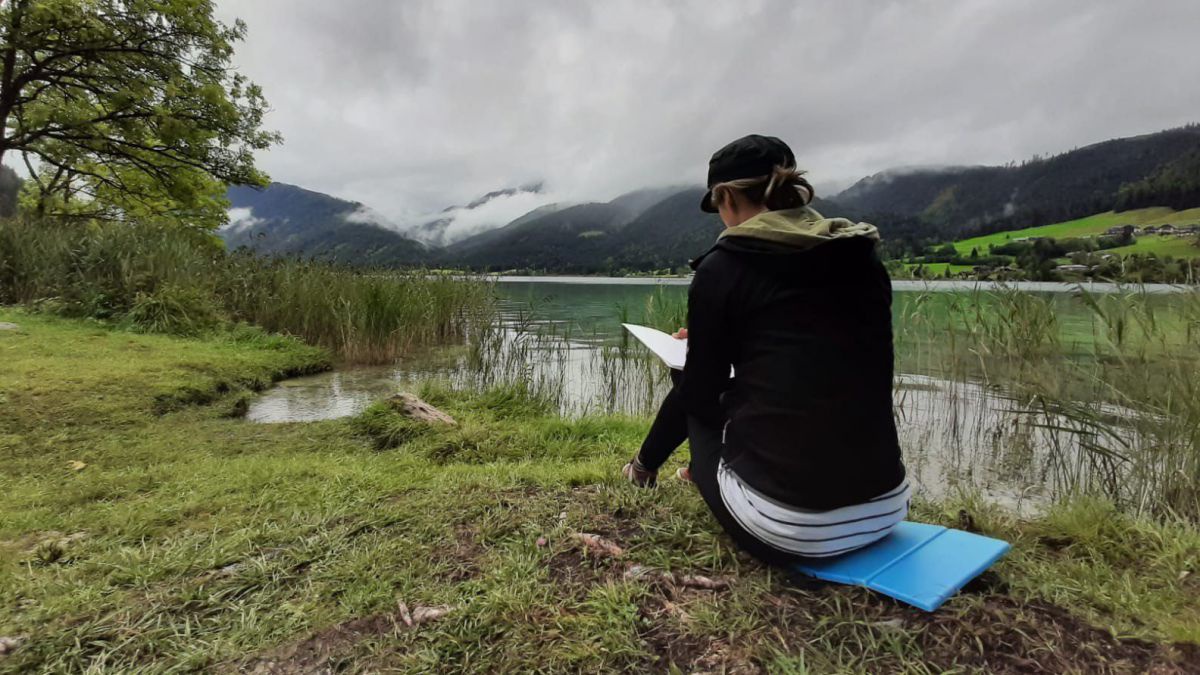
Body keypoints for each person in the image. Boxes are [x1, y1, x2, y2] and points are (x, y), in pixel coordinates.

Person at [621, 134, 908, 566]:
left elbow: (701, 395)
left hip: (789, 528)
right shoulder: (860, 255)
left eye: (719, 207)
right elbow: (804, 358)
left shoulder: (726, 266)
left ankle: (644, 470)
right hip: (886, 509)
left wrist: (700, 353)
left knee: (688, 379)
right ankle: (654, 469)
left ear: (727, 197)